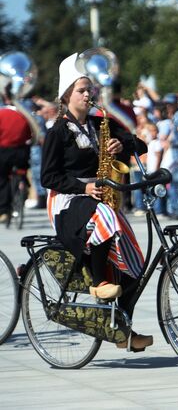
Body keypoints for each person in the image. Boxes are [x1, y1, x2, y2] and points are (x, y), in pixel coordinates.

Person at [41, 52, 151, 350]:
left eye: (90, 89)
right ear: (67, 96)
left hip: (101, 200)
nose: (89, 94)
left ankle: (121, 331)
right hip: (68, 199)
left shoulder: (99, 123)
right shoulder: (58, 132)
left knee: (136, 265)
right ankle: (99, 280)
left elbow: (140, 144)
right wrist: (83, 188)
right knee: (105, 217)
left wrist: (122, 143)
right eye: (82, 90)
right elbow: (48, 177)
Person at [0, 91, 32, 222]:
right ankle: (23, 184)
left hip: (4, 151)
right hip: (21, 151)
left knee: (2, 179)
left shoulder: (1, 114)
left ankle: (3, 211)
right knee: (22, 169)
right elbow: (29, 135)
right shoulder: (24, 114)